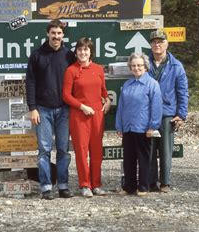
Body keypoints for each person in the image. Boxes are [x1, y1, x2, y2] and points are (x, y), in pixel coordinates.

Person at [26, 19, 76, 200]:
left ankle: (63, 186)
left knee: (63, 149)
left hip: (64, 109)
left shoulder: (69, 56)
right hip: (43, 110)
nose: (56, 36)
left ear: (63, 35)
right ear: (48, 34)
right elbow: (30, 83)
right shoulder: (37, 55)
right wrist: (32, 108)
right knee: (44, 150)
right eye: (53, 33)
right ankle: (46, 187)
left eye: (59, 33)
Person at [62, 38, 111, 198]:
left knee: (96, 151)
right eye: (80, 50)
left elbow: (103, 91)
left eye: (86, 50)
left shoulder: (98, 69)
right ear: (76, 52)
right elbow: (66, 95)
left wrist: (108, 100)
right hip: (79, 116)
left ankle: (96, 184)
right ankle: (85, 185)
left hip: (97, 115)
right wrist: (82, 106)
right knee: (82, 151)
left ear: (91, 52)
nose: (83, 52)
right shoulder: (71, 70)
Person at [148, 29, 189, 193]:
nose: (157, 44)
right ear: (150, 44)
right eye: (154, 42)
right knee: (149, 149)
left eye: (160, 41)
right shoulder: (144, 62)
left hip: (167, 113)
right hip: (148, 113)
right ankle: (150, 182)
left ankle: (165, 183)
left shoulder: (176, 65)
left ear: (167, 43)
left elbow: (183, 91)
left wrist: (181, 114)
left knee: (165, 151)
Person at [115, 53, 162, 196]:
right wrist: (119, 125)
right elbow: (121, 107)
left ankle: (143, 187)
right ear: (130, 67)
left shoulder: (152, 84)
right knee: (128, 159)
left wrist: (152, 126)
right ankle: (129, 187)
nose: (136, 68)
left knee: (143, 159)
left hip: (143, 128)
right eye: (134, 65)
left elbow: (156, 107)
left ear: (145, 67)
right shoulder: (127, 84)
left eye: (139, 65)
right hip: (128, 127)